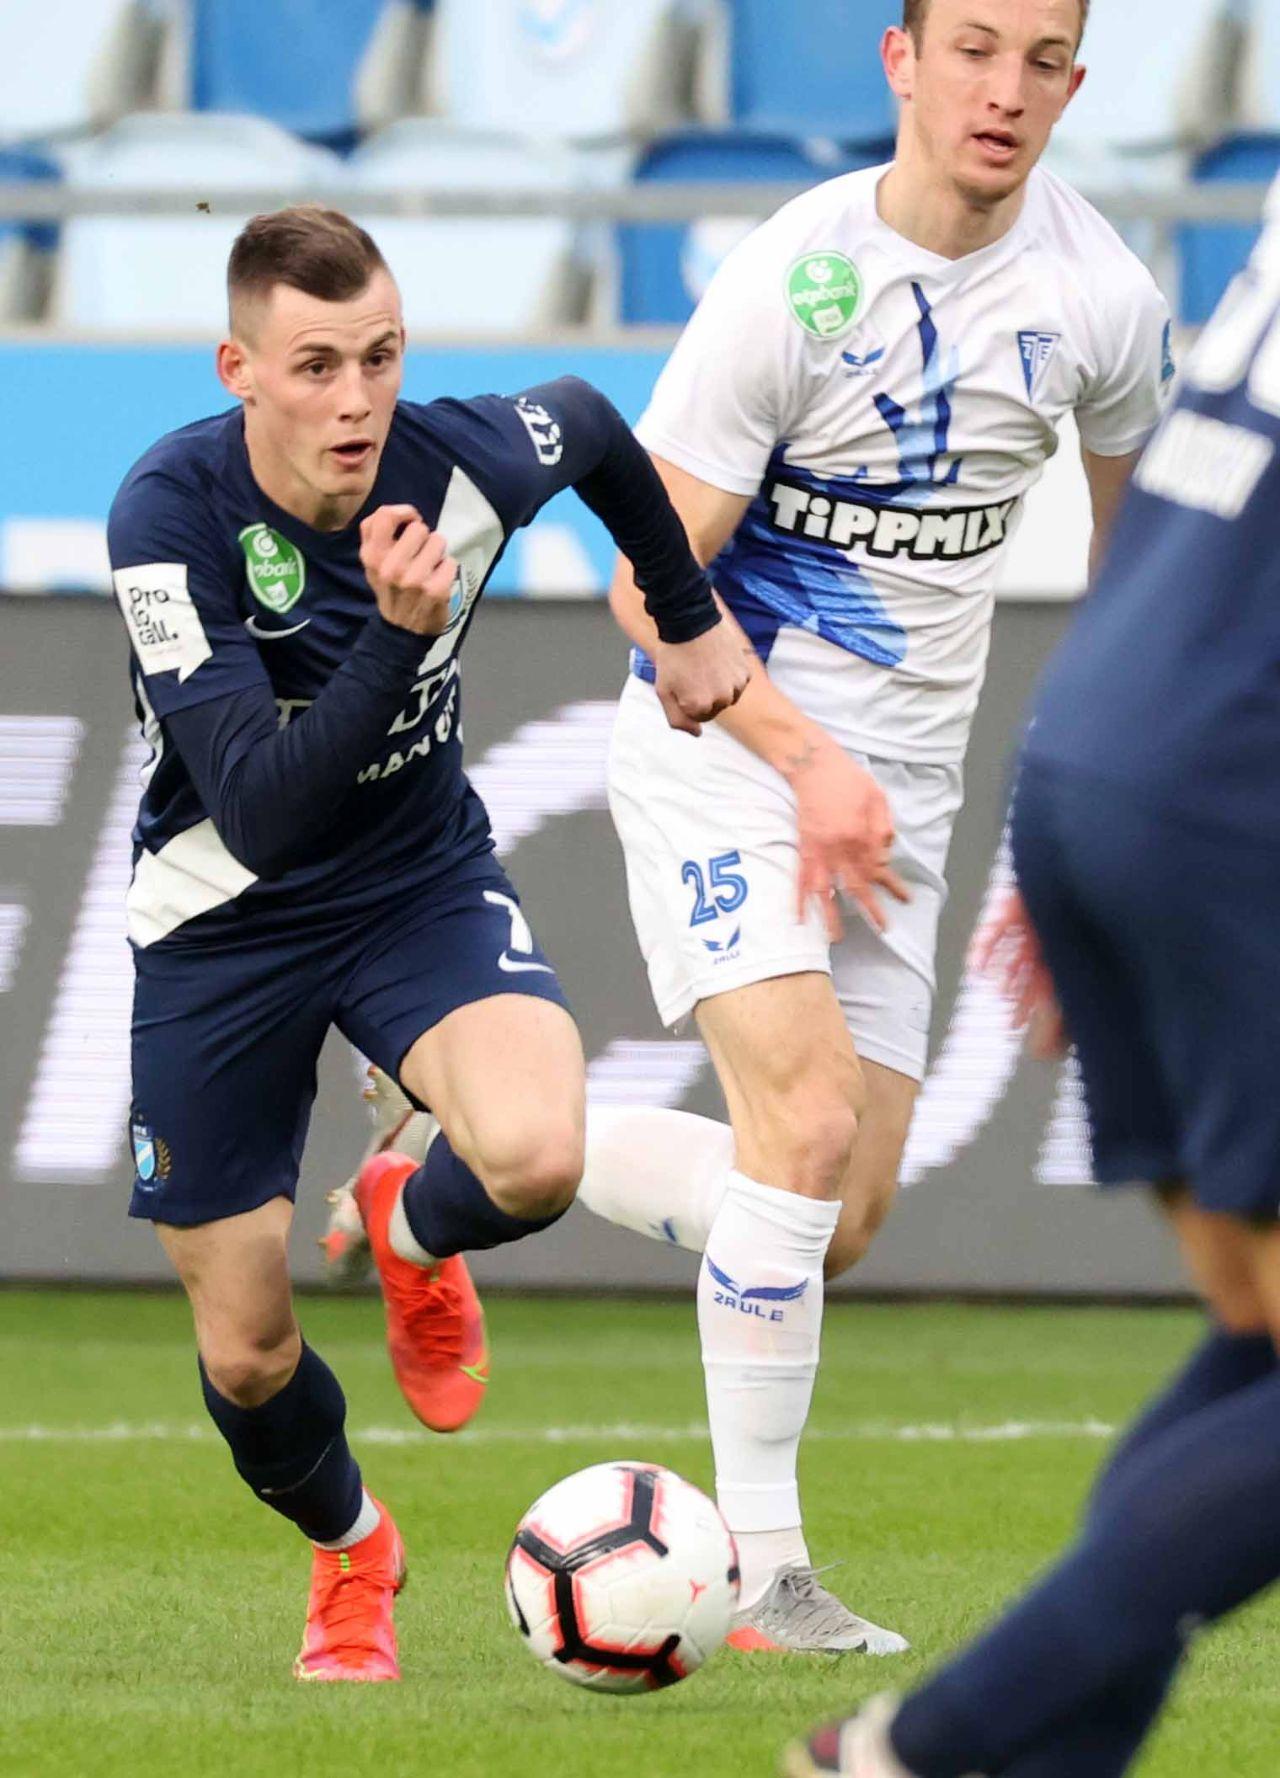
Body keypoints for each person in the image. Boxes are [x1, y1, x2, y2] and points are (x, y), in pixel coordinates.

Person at [532, 0, 1175, 1654]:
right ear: (901, 60)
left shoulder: (1104, 303)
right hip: (732, 751)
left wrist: (1096, 832)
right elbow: (645, 591)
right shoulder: (790, 282)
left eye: (1041, 60)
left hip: (903, 800)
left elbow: (1140, 595)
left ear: (1077, 83)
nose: (1004, 89)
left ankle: (487, 1131)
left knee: (837, 1215)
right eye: (973, 47)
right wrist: (806, 758)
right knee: (805, 1126)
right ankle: (765, 1578)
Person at [110, 203, 746, 1684]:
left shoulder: (456, 459)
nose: (357, 400)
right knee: (246, 1352)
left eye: (382, 357)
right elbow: (259, 811)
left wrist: (688, 614)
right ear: (239, 370)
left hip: (414, 879)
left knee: (536, 1154)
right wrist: (400, 631)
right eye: (317, 366)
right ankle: (354, 1547)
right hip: (221, 918)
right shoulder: (167, 519)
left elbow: (593, 425)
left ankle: (406, 1219)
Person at [783, 166, 1280, 1778]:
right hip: (1235, 785)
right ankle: (913, 1749)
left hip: (1111, 748)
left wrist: (1094, 836)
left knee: (1258, 1331)